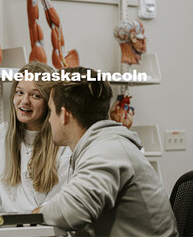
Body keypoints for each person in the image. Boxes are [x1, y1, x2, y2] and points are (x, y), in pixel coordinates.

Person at [36, 67, 178, 236]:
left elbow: (73, 211)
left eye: (51, 111)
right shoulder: (104, 145)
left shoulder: (107, 150)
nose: (49, 119)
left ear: (65, 115)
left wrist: (31, 216)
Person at [0, 62, 71, 212]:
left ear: (50, 102)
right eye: (20, 92)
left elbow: (61, 201)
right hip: (12, 230)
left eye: (35, 95)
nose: (24, 101)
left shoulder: (62, 142)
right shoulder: (3, 133)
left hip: (45, 230)